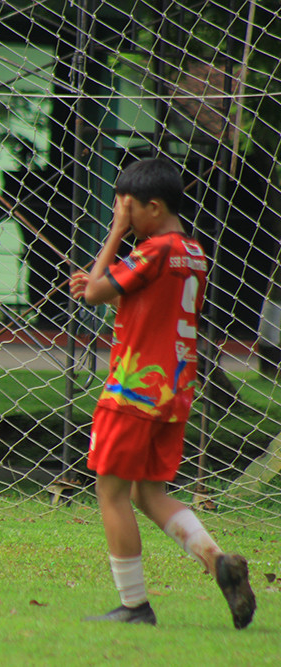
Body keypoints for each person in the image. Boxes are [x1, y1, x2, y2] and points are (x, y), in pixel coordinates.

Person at [70, 158, 255, 628]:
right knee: (147, 493)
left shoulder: (152, 250)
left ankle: (134, 606)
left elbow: (93, 293)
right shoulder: (191, 251)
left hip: (134, 390)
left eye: (128, 208)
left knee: (110, 492)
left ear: (153, 207)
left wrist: (112, 236)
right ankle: (218, 561)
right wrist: (105, 287)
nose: (124, 216)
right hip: (175, 391)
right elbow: (143, 300)